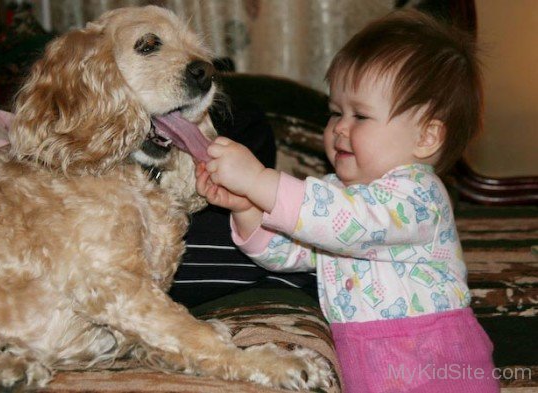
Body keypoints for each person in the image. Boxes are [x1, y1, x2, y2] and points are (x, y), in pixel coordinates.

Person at [196, 9, 499, 393]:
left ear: (426, 137)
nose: (339, 127)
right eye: (336, 112)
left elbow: (345, 222)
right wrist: (247, 209)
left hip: (435, 365)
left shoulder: (419, 196)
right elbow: (290, 253)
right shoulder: (336, 194)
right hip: (367, 366)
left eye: (361, 116)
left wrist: (260, 180)